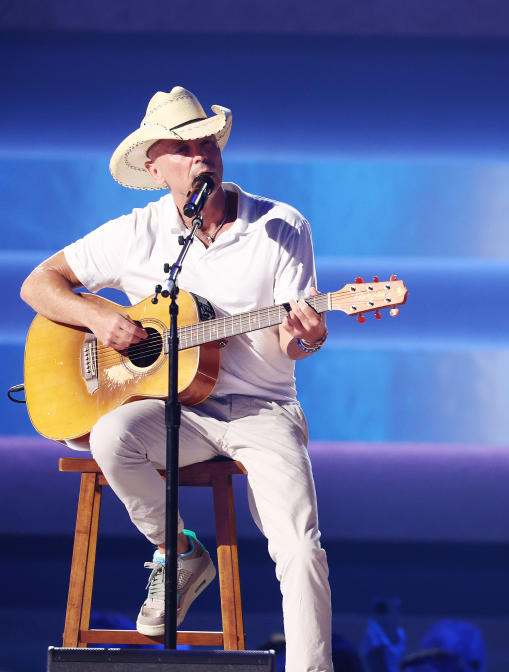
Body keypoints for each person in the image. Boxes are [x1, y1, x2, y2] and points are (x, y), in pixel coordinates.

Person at [20, 86, 333, 672]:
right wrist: (99, 316)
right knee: (111, 434)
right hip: (177, 408)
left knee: (298, 546)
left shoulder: (281, 226)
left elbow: (295, 340)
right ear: (155, 166)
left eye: (207, 142)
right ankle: (178, 551)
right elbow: (38, 284)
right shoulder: (137, 232)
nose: (201, 155)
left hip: (261, 409)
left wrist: (309, 335)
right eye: (184, 148)